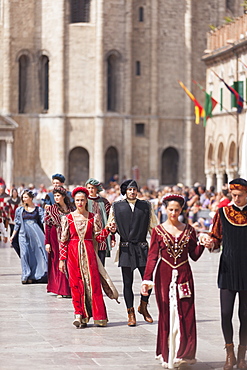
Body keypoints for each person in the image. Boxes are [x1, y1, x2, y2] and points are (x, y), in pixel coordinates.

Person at [141, 194, 204, 369]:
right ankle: (167, 353)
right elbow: (152, 256)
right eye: (171, 210)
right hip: (164, 275)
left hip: (184, 275)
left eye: (177, 210)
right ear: (165, 210)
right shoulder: (158, 231)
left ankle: (183, 354)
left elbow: (194, 255)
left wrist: (203, 244)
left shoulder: (189, 230)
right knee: (166, 313)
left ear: (181, 210)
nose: (174, 213)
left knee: (186, 312)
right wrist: (147, 279)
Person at [59, 186, 118, 328]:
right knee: (76, 285)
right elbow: (63, 240)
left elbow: (98, 238)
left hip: (89, 253)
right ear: (74, 201)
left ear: (86, 201)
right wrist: (62, 260)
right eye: (77, 200)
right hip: (73, 255)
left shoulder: (93, 217)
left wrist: (108, 230)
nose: (80, 203)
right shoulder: (68, 218)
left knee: (94, 284)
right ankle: (79, 315)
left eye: (82, 200)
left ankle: (99, 316)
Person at [204, 178, 247, 370]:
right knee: (225, 312)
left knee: (245, 315)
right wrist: (210, 243)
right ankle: (229, 352)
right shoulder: (222, 213)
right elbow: (216, 239)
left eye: (240, 195)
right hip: (228, 268)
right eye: (233, 195)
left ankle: (242, 355)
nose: (236, 199)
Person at [107, 179, 158, 326]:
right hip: (126, 247)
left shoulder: (146, 206)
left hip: (142, 247)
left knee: (148, 281)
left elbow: (153, 228)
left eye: (135, 189)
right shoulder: (117, 207)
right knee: (127, 282)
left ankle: (143, 306)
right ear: (125, 191)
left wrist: (159, 244)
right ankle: (130, 312)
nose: (132, 192)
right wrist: (111, 230)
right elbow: (111, 225)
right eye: (130, 189)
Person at [10, 189, 47, 284]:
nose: (23, 199)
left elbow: (43, 222)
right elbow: (17, 223)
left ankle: (34, 276)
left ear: (31, 198)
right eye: (23, 197)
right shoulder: (20, 210)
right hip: (23, 233)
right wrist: (13, 235)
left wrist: (47, 233)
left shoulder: (38, 209)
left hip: (36, 233)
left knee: (36, 254)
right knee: (24, 254)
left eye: (25, 197)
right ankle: (25, 274)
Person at [44, 186, 74, 297]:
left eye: (58, 195)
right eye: (55, 195)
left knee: (68, 262)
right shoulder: (51, 209)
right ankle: (59, 289)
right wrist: (47, 242)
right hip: (55, 238)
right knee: (57, 262)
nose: (56, 198)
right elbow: (47, 227)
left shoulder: (71, 209)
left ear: (63, 196)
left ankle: (69, 288)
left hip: (69, 237)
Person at [85, 177, 115, 266]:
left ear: (96, 189)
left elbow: (110, 219)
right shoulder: (84, 201)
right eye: (89, 188)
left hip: (102, 236)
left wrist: (112, 237)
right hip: (88, 236)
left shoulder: (104, 202)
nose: (90, 190)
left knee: (101, 263)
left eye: (92, 188)